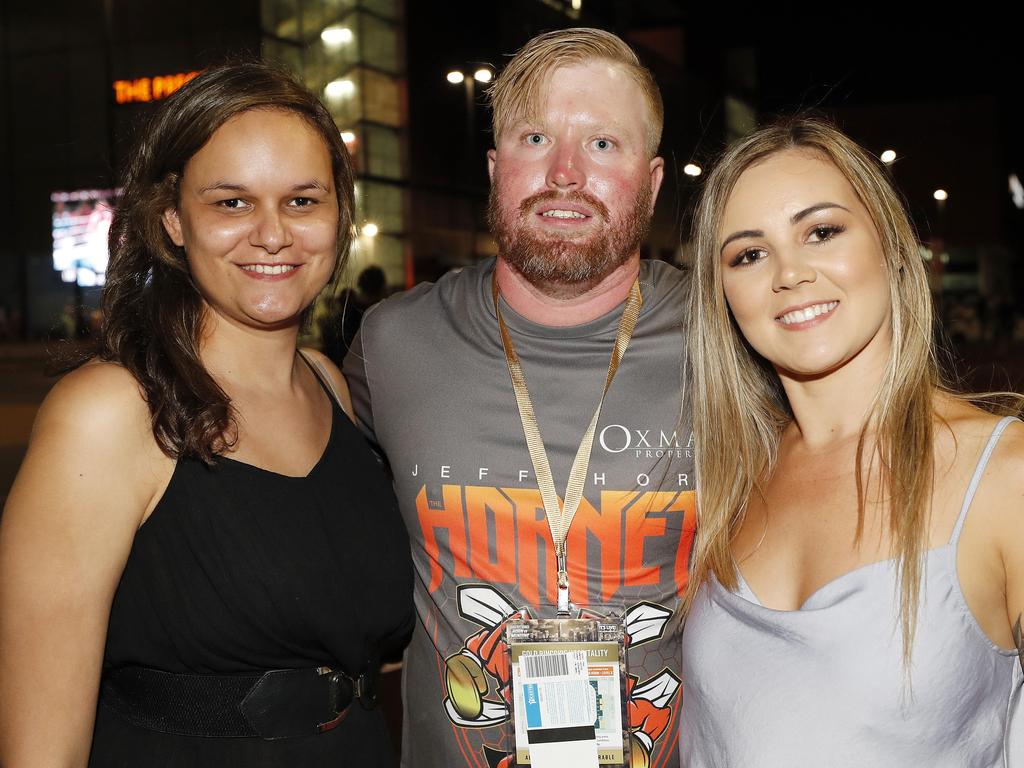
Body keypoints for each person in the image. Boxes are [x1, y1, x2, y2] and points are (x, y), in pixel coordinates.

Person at [0, 62, 413, 767]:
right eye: (231, 203)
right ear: (173, 220)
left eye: (302, 201)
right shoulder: (109, 413)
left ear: (339, 214)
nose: (273, 234)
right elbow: (41, 752)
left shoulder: (327, 388)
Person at [344, 27, 694, 768]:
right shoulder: (392, 344)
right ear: (496, 169)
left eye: (603, 144)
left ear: (654, 181)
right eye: (537, 138)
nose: (565, 173)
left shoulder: (730, 344)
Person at [679, 117, 1024, 766]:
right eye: (749, 254)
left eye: (822, 231)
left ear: (893, 247)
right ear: (724, 295)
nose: (790, 273)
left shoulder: (1005, 474)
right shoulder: (728, 479)